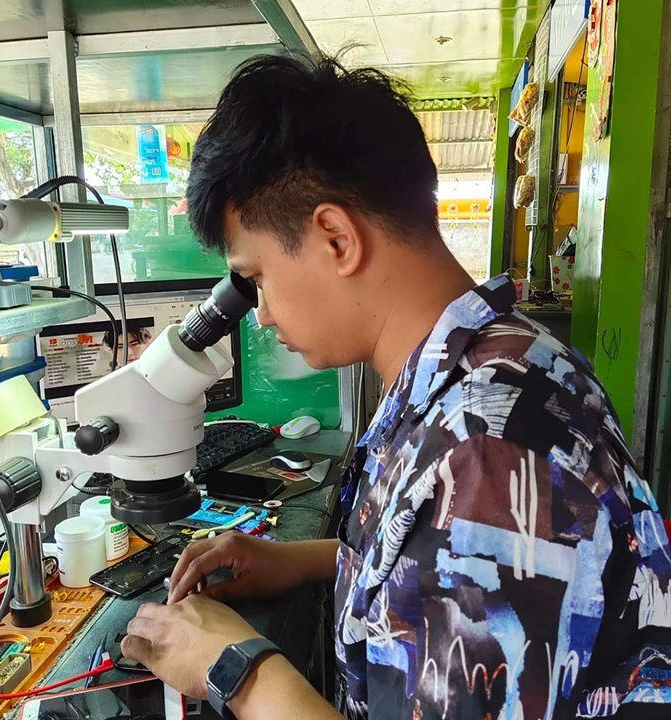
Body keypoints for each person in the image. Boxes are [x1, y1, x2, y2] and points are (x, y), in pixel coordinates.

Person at [120, 54, 671, 719]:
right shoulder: (497, 358)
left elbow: (473, 528)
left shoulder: (488, 451)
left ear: (335, 237)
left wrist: (235, 668)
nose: (260, 313)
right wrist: (300, 560)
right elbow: (439, 559)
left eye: (258, 277)